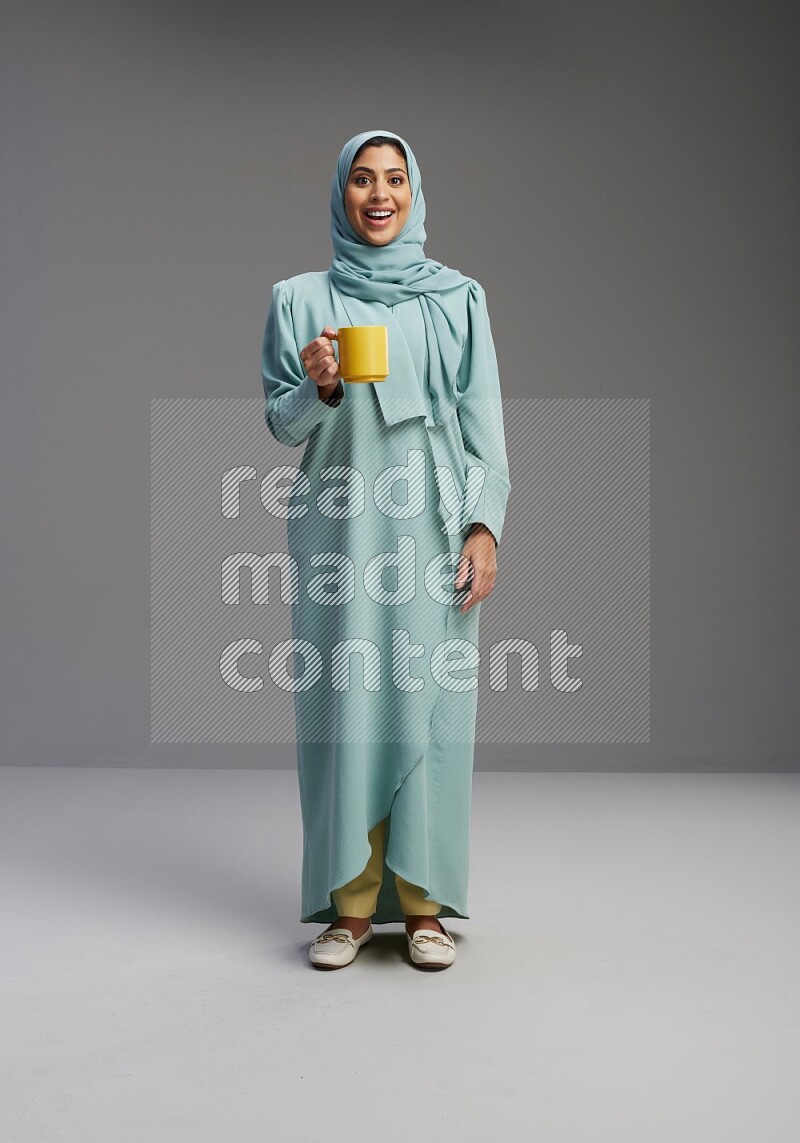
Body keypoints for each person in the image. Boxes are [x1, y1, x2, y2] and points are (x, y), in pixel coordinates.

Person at [260, 129, 510, 970]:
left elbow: (485, 429)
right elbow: (281, 422)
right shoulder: (300, 299)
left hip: (432, 531)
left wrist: (485, 527)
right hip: (342, 533)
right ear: (341, 193)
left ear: (413, 191)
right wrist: (320, 384)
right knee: (347, 714)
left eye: (394, 179)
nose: (378, 195)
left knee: (435, 716)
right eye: (362, 179)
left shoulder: (458, 299)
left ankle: (425, 908)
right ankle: (351, 908)